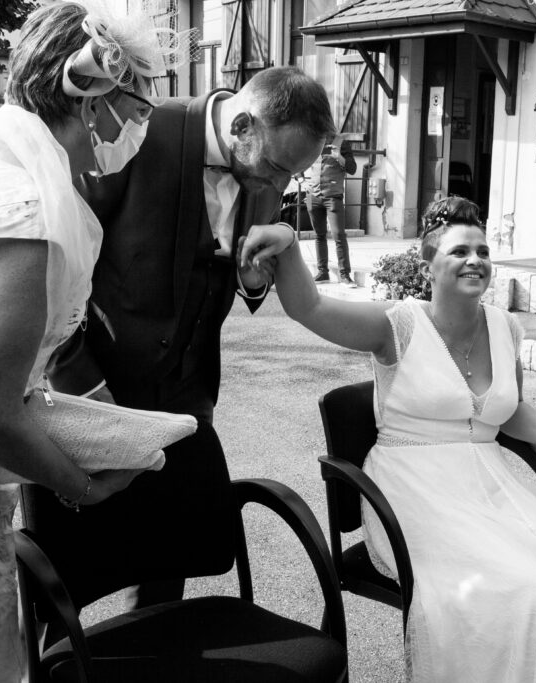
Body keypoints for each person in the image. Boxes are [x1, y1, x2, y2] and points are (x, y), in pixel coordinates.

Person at [0, 2, 188, 679]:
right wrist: (82, 487)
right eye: (138, 107)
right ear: (94, 98)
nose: (141, 127)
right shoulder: (22, 211)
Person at [242, 196, 536, 682]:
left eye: (483, 251)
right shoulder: (398, 325)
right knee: (531, 592)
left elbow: (507, 411)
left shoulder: (506, 328)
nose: (475, 260)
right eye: (460, 251)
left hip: (490, 489)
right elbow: (311, 307)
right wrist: (288, 240)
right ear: (428, 264)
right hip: (415, 491)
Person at [46, 65, 334, 610]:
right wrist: (81, 386)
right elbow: (55, 269)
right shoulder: (137, 130)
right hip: (95, 389)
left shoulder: (267, 165)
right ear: (243, 125)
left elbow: (233, 272)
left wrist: (253, 281)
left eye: (292, 177)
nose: (279, 187)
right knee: (65, 580)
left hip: (186, 400)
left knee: (165, 571)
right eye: (276, 169)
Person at [307, 134, 357, 286]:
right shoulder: (312, 141)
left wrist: (339, 157)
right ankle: (323, 273)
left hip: (333, 196)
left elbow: (352, 169)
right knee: (319, 235)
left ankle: (345, 274)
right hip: (313, 196)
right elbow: (297, 161)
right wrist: (300, 178)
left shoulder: (342, 143)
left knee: (339, 235)